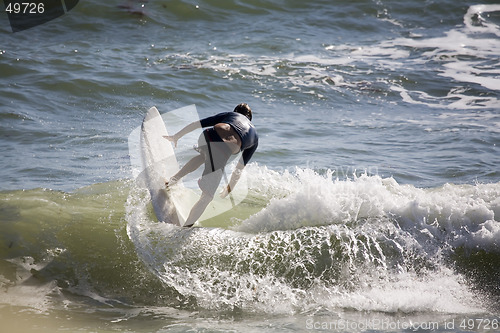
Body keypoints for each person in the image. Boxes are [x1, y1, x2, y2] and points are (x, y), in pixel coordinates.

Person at [163, 103, 258, 227]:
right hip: (221, 150)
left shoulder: (231, 115)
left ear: (236, 111)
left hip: (207, 135)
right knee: (207, 197)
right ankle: (185, 229)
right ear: (250, 118)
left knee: (204, 156)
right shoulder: (254, 138)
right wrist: (229, 188)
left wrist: (177, 136)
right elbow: (238, 169)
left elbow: (197, 124)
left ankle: (172, 180)